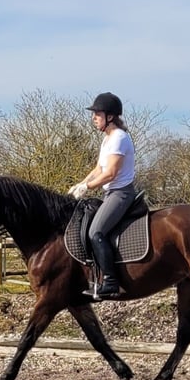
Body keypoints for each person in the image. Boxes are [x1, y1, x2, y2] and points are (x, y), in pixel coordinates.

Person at [68, 92, 136, 298]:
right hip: (110, 193)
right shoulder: (107, 140)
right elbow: (99, 168)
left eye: (97, 114)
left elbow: (111, 173)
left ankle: (111, 281)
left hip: (121, 193)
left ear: (110, 116)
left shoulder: (119, 138)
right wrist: (81, 183)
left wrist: (88, 187)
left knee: (96, 232)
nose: (93, 118)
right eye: (94, 114)